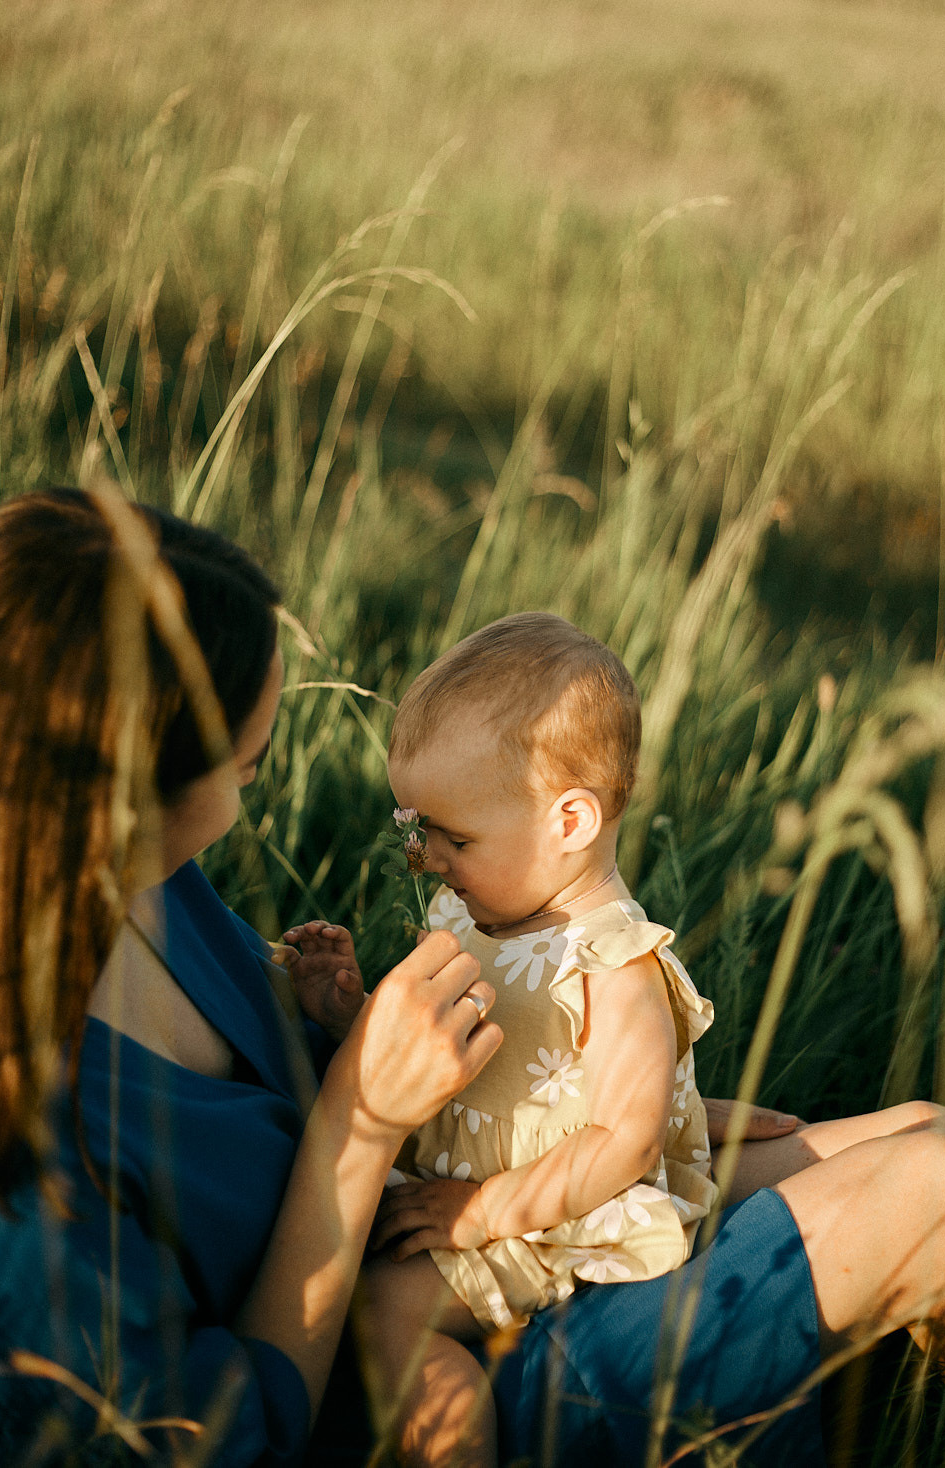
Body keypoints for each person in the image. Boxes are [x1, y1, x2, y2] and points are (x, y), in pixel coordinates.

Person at [0, 488, 945, 1468]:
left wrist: (639, 1102)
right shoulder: (27, 1174)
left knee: (937, 1133)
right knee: (940, 1200)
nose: (249, 803)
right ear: (122, 797)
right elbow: (212, 1443)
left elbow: (363, 1078)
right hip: (442, 1352)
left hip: (490, 1206)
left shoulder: (145, 892)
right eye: (247, 769)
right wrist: (360, 1121)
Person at [289, 615, 717, 1468]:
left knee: (384, 1311)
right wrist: (353, 1012)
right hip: (454, 1182)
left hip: (547, 1211)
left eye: (454, 838)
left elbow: (624, 1142)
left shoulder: (613, 964)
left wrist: (484, 1215)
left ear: (570, 821)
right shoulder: (478, 904)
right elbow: (453, 1047)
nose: (427, 860)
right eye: (419, 832)